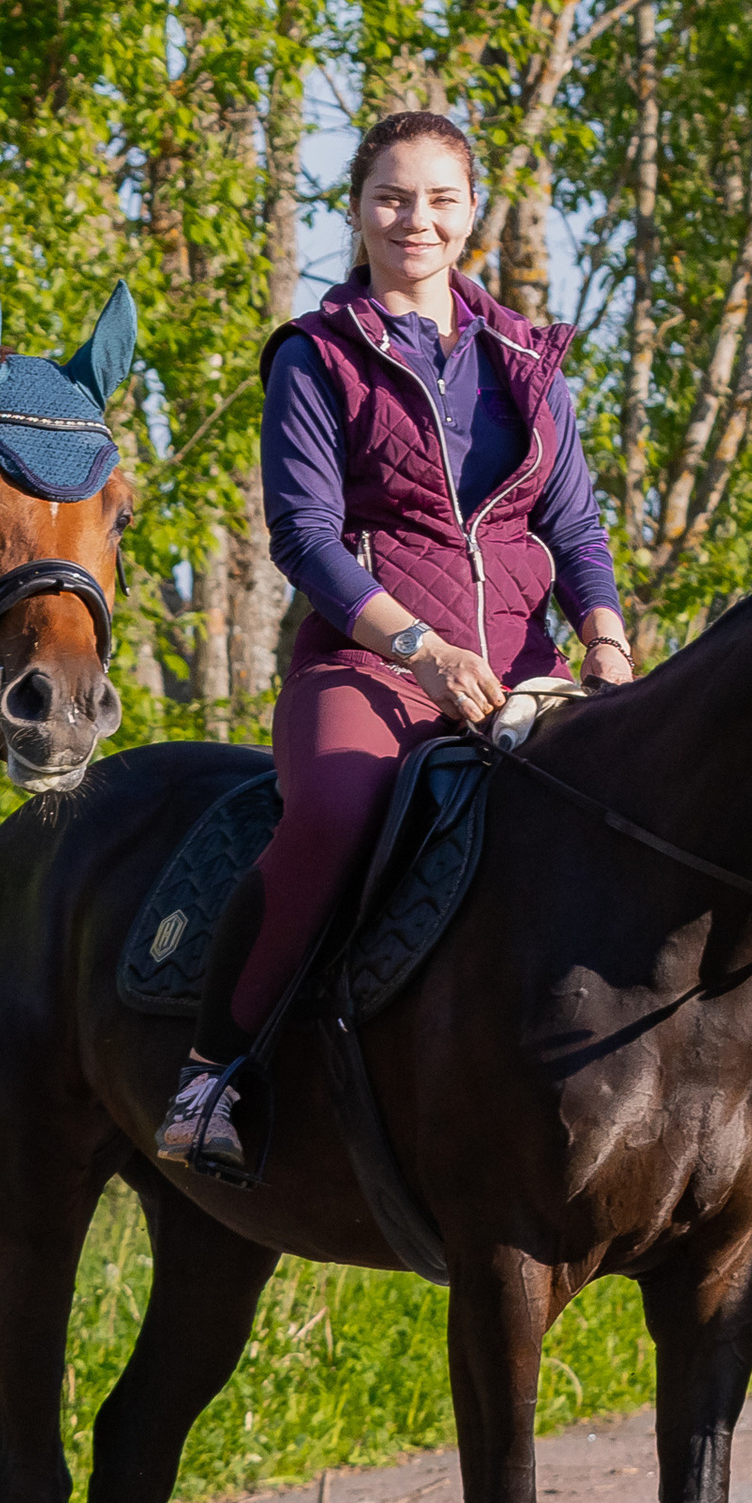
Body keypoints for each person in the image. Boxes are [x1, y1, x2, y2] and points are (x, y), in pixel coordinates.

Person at [157, 111, 633, 1171]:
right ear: (358, 210)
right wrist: (421, 649)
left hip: (527, 671)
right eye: (392, 196)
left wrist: (604, 639)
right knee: (334, 810)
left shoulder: (529, 360)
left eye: (439, 199)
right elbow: (304, 536)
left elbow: (575, 530)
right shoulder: (316, 356)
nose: (416, 219)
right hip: (369, 666)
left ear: (471, 212)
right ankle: (211, 1075)